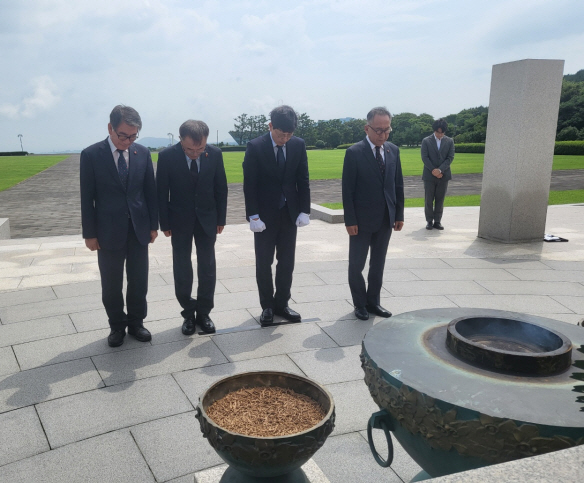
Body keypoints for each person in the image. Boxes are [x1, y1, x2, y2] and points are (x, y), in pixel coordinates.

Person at [80, 105, 158, 347]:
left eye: (133, 136)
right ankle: (116, 326)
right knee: (112, 283)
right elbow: (87, 198)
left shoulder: (142, 153)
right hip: (107, 231)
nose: (127, 141)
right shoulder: (91, 155)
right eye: (123, 135)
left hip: (138, 228)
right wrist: (89, 234)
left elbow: (150, 192)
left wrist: (153, 225)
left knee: (139, 280)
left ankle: (136, 323)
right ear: (110, 128)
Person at [156, 120, 228, 335]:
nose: (195, 153)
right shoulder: (166, 156)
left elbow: (221, 188)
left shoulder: (215, 154)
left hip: (207, 219)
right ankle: (188, 312)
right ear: (180, 140)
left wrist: (221, 219)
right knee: (182, 267)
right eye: (190, 149)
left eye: (200, 148)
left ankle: (204, 312)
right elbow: (161, 192)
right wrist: (164, 223)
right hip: (179, 220)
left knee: (207, 267)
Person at [242, 105, 311, 326]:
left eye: (289, 134)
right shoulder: (255, 147)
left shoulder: (298, 145)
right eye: (281, 134)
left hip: (289, 213)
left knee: (287, 261)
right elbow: (250, 184)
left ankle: (282, 303)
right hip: (264, 216)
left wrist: (304, 210)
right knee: (264, 262)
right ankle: (267, 306)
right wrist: (253, 215)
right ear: (271, 126)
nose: (285, 139)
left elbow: (303, 179)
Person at [342, 106, 404, 321]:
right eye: (378, 130)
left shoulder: (393, 150)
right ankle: (359, 304)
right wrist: (350, 220)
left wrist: (399, 214)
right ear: (366, 128)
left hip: (386, 218)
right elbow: (347, 190)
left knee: (378, 263)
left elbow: (397, 185)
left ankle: (374, 301)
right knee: (356, 265)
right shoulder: (354, 153)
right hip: (360, 221)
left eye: (387, 130)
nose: (383, 135)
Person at [421, 118, 455, 230]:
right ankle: (429, 221)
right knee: (429, 199)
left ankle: (437, 221)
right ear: (434, 130)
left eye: (442, 132)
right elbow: (424, 157)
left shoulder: (449, 141)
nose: (440, 134)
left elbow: (450, 157)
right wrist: (434, 171)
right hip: (429, 175)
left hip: (443, 175)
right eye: (438, 132)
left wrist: (440, 170)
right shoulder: (426, 141)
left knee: (440, 199)